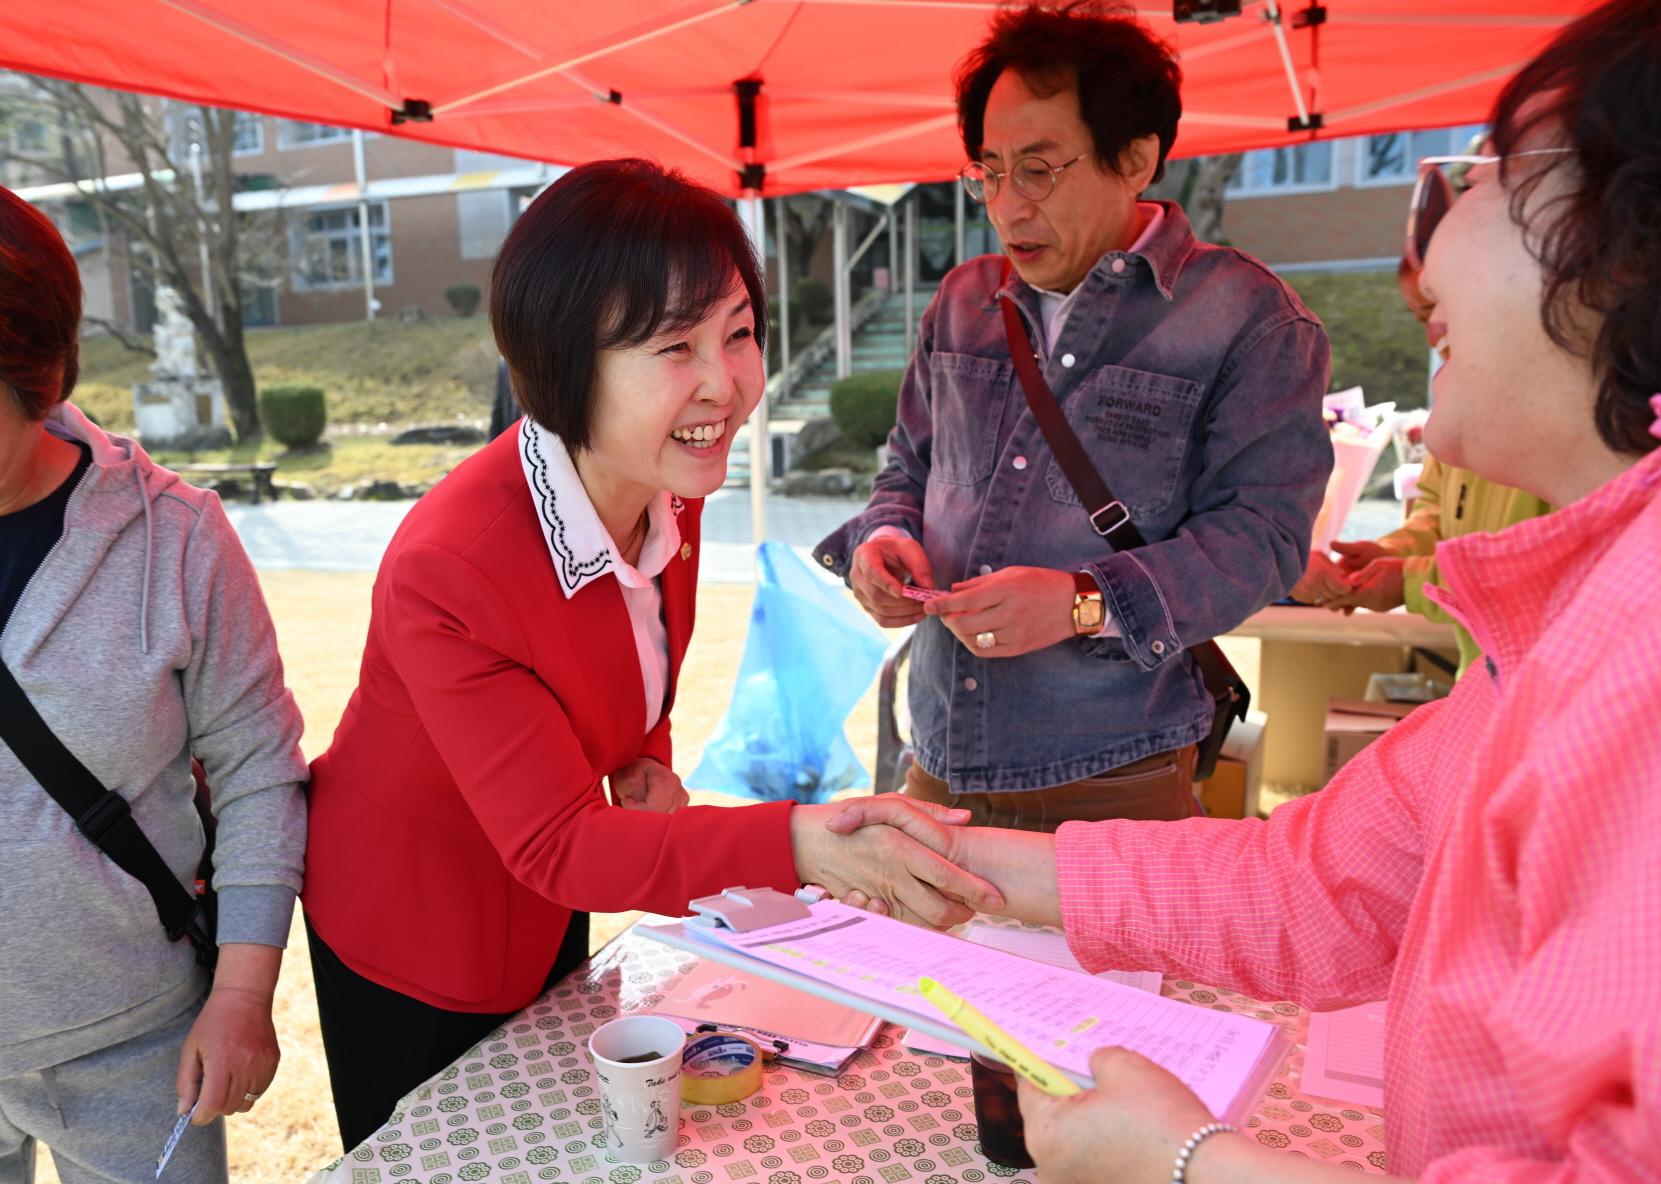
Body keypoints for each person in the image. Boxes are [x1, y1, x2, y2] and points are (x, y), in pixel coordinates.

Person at [833, 0, 1661, 1177]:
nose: (1424, 239)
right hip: (952, 747)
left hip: (1115, 750)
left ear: (1639, 242)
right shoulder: (1645, 581)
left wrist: (1186, 1162)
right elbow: (1317, 879)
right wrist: (928, 842)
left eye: (1482, 175)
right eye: (990, 172)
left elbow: (1264, 539)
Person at [300, 159, 1002, 1151]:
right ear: (562, 365)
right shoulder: (448, 562)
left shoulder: (667, 477)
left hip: (548, 904)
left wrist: (651, 764)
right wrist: (796, 840)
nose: (725, 381)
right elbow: (556, 845)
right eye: (673, 344)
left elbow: (638, 673)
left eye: (739, 332)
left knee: (561, 1145)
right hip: (408, 923)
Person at [815, 2, 1332, 830]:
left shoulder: (1247, 320)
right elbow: (906, 471)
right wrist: (883, 542)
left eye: (1039, 169)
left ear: (1136, 159)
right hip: (940, 761)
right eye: (987, 171)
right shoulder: (962, 303)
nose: (1007, 206)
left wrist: (1080, 601)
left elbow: (1262, 541)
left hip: (1114, 780)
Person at [0, 186, 308, 1181]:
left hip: (135, 1038)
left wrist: (243, 991)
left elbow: (259, 766)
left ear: (36, 377)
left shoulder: (174, 541)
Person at [1292, 261, 1549, 675]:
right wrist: (1393, 554)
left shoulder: (1555, 418)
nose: (1434, 334)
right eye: (1421, 317)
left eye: (1440, 309)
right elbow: (1436, 511)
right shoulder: (1463, 407)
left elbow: (1538, 574)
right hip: (1485, 680)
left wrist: (1412, 581)